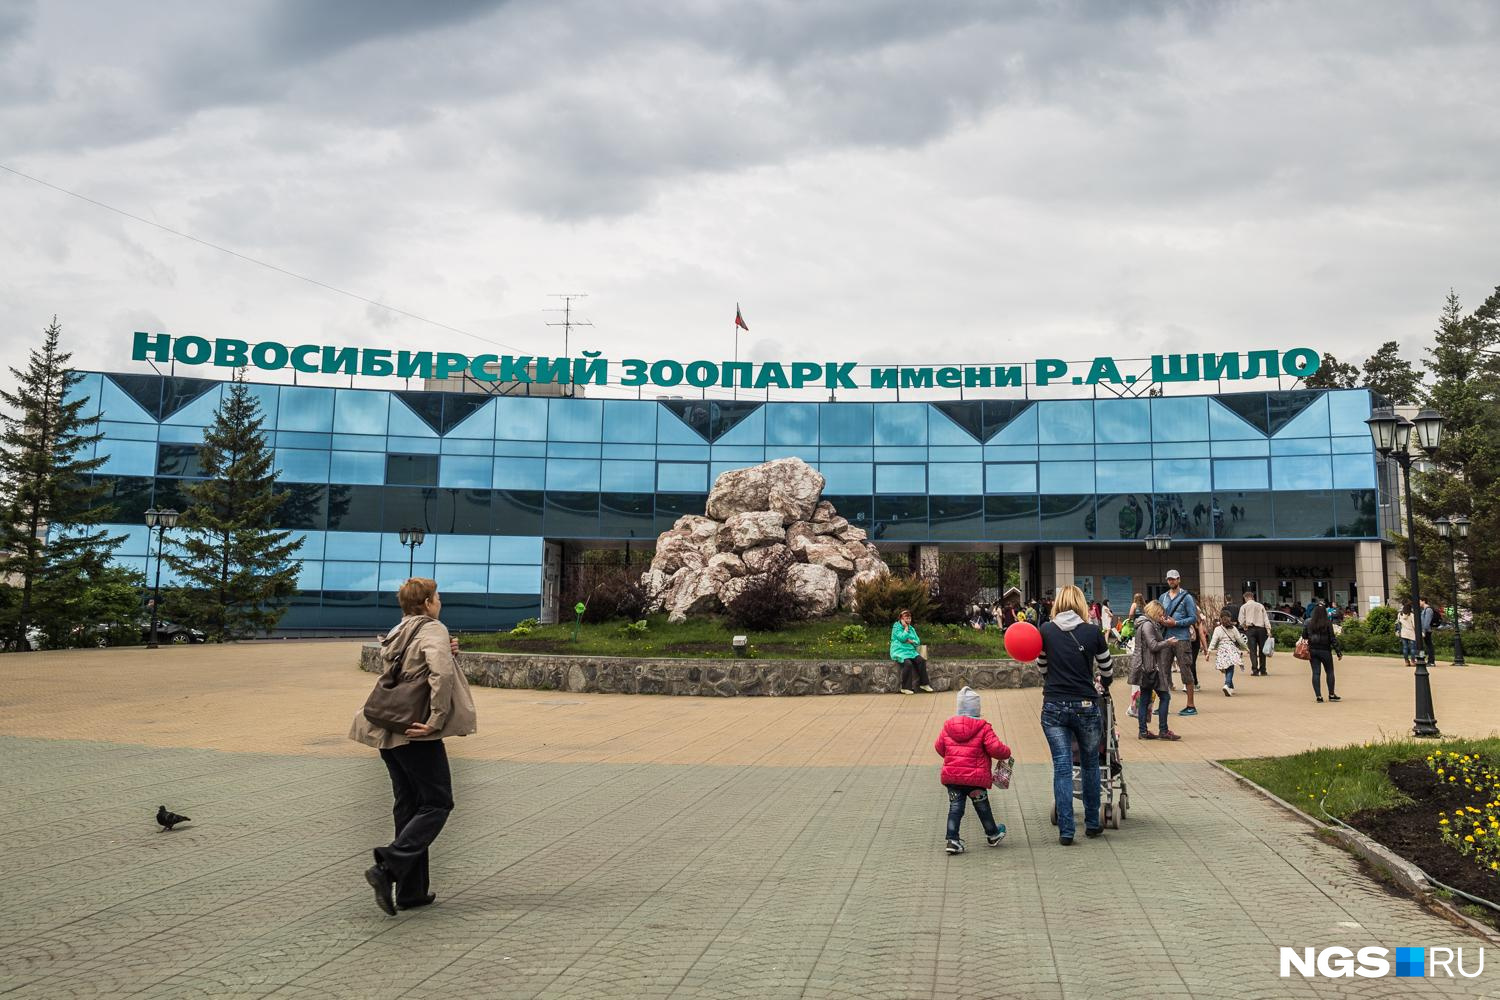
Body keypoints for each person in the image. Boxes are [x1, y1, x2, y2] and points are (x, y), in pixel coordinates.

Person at [350, 578, 477, 916]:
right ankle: (388, 866)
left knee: (408, 805)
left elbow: (409, 666)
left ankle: (411, 891)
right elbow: (440, 675)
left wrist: (446, 651)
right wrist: (436, 719)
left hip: (387, 729)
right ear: (427, 602)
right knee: (437, 802)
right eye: (438, 597)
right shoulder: (433, 629)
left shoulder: (400, 629)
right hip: (414, 731)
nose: (440, 602)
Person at [1037, 585, 1114, 845]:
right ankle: (1092, 822)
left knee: (1062, 766)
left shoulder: (1046, 630)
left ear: (1058, 603)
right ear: (1081, 604)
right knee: (1090, 763)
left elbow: (1042, 666)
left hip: (1054, 706)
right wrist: (1103, 682)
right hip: (1086, 706)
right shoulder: (1092, 632)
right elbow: (1107, 668)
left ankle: (1067, 830)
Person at [933, 686, 1013, 854]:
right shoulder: (983, 727)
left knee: (955, 808)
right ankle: (992, 834)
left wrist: (952, 758)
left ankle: (952, 840)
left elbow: (939, 747)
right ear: (977, 709)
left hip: (953, 779)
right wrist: (1006, 752)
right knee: (982, 806)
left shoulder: (948, 726)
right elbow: (995, 748)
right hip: (975, 780)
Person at [1131, 601, 1180, 740]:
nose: (1161, 617)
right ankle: (1163, 730)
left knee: (1145, 698)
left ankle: (1143, 731)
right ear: (1154, 612)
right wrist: (1168, 642)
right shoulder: (1148, 625)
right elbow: (1153, 645)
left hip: (1146, 667)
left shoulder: (1147, 623)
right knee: (1165, 697)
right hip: (1151, 667)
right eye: (1160, 614)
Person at [1161, 570, 1199, 716]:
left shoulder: (1187, 597)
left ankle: (1190, 705)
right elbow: (1158, 614)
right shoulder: (1163, 597)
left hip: (1182, 638)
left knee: (1186, 671)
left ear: (1179, 579)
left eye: (1173, 579)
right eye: (1169, 579)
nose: (1171, 581)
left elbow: (1193, 618)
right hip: (1166, 639)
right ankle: (1164, 705)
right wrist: (1161, 620)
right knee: (1163, 672)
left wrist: (1176, 623)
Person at [1301, 604, 1343, 703]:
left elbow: (1304, 636)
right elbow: (1332, 638)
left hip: (1313, 650)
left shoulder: (1308, 622)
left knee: (1316, 673)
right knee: (1329, 672)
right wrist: (1338, 652)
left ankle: (1319, 696)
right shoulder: (1327, 623)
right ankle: (1331, 695)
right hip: (1325, 650)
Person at [1207, 609, 1249, 696]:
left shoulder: (1217, 629)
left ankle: (1230, 687)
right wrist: (1246, 648)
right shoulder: (1233, 628)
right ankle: (1227, 684)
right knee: (1230, 668)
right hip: (1231, 648)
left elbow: (1213, 641)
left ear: (1220, 618)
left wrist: (1209, 652)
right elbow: (1240, 640)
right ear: (1230, 618)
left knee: (1227, 668)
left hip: (1222, 650)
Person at [890, 609, 932, 694]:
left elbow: (917, 641)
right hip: (899, 651)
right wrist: (905, 628)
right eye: (906, 618)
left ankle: (924, 684)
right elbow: (902, 638)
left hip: (910, 651)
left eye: (909, 618)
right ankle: (905, 688)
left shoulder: (912, 629)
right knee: (908, 664)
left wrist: (911, 641)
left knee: (921, 661)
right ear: (901, 619)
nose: (908, 620)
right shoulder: (896, 627)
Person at [1238, 589, 1270, 676]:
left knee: (1252, 650)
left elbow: (1241, 620)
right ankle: (1263, 670)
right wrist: (1268, 630)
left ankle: (1255, 670)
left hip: (1250, 629)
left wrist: (1244, 626)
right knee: (1262, 650)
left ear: (1245, 598)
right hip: (1261, 629)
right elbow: (1265, 618)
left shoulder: (1243, 607)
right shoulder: (1260, 606)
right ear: (1253, 597)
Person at [1397, 599, 1418, 666]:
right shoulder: (1411, 615)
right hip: (1411, 632)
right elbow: (1414, 625)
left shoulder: (1400, 614)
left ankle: (1406, 661)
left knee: (1405, 647)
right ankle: (1412, 661)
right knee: (1412, 648)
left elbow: (1398, 623)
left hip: (1403, 632)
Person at [1419, 598, 1438, 665]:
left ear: (1423, 601)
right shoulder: (1424, 610)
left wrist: (1424, 631)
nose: (1419, 603)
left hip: (1427, 630)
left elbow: (1427, 622)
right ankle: (1428, 660)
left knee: (1429, 646)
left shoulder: (1428, 610)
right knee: (1427, 645)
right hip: (1425, 630)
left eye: (1420, 601)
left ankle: (1431, 661)